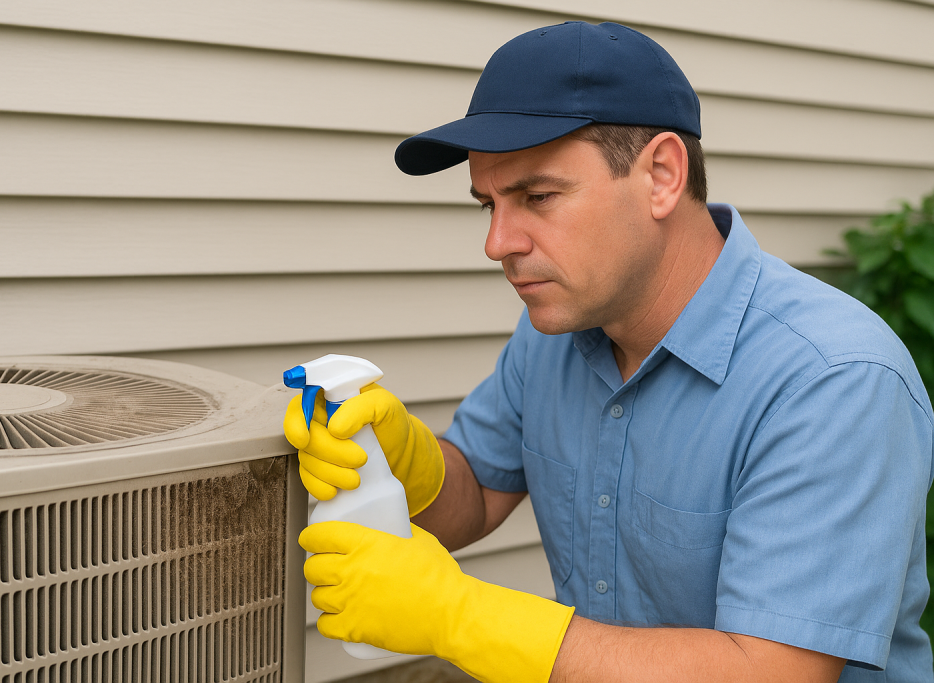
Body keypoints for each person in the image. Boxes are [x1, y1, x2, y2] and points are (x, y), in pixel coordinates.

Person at [285, 20, 934, 683]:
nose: (498, 242)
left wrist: (463, 617)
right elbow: (476, 492)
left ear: (661, 175)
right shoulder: (558, 332)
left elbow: (771, 673)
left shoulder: (834, 378)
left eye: (538, 196)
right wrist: (403, 463)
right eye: (488, 205)